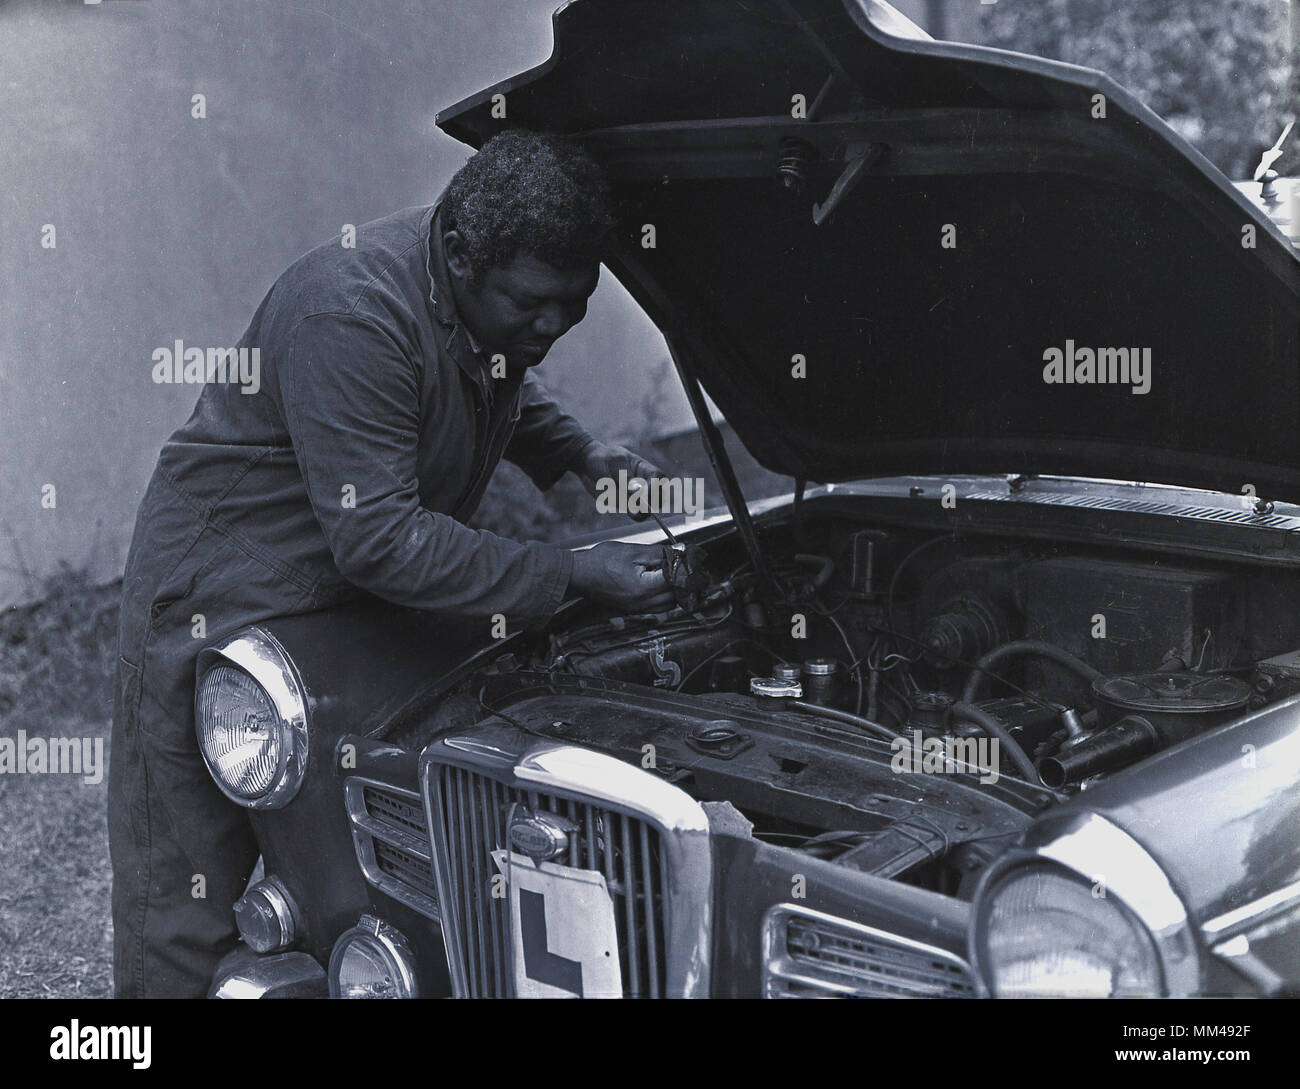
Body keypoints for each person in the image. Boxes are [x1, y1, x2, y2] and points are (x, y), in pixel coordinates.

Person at [108, 129, 673, 997]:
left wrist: (581, 455)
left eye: (576, 303)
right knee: (183, 899)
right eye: (533, 302)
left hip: (344, 599)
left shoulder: (471, 293)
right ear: (456, 251)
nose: (552, 326)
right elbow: (380, 539)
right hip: (218, 596)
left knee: (360, 878)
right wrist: (570, 576)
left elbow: (490, 370)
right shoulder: (353, 314)